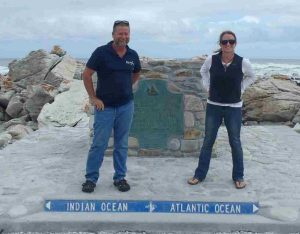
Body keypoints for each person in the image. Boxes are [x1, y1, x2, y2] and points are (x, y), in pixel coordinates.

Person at [188, 30, 255, 189]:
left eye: (231, 42)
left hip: (233, 108)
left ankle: (238, 176)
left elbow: (252, 76)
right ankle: (199, 174)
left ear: (235, 44)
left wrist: (241, 88)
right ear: (220, 44)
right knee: (208, 141)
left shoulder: (243, 62)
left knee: (235, 142)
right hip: (214, 106)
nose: (228, 44)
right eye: (225, 42)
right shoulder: (211, 60)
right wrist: (207, 86)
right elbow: (203, 72)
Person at [82, 20, 141, 193]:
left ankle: (120, 178)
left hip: (125, 106)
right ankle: (90, 179)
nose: (123, 36)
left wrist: (125, 87)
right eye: (120, 33)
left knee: (121, 144)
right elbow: (86, 75)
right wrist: (93, 98)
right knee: (99, 144)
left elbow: (136, 73)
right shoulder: (101, 53)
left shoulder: (132, 55)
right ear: (113, 34)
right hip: (104, 107)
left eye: (126, 33)